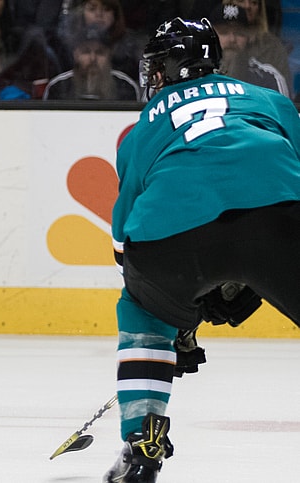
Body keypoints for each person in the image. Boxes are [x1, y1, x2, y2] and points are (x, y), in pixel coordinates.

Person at [104, 17, 300, 482]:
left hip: (169, 240)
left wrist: (175, 318)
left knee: (141, 313)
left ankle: (142, 444)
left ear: (172, 67)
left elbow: (123, 236)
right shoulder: (270, 99)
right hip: (276, 215)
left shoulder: (144, 127)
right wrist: (254, 269)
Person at [210, 4, 290, 97]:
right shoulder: (197, 75)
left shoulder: (269, 78)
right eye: (224, 32)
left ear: (248, 37)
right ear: (211, 36)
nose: (232, 39)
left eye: (239, 33)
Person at [43, 27, 139, 100]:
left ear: (109, 55)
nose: (93, 58)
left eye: (100, 52)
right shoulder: (58, 86)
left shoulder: (125, 85)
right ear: (76, 55)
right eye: (86, 52)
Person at [57, 0, 142, 80]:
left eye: (106, 9)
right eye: (92, 9)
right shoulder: (65, 45)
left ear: (115, 14)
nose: (99, 14)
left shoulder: (132, 47)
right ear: (82, 12)